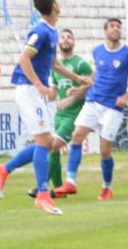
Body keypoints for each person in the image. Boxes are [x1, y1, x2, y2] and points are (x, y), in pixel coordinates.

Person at [0, 0, 91, 215]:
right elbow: (24, 58)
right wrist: (40, 86)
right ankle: (42, 194)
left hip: (35, 91)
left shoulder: (52, 31)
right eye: (57, 0)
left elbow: (53, 63)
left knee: (45, 142)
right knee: (45, 142)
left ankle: (4, 170)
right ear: (54, 5)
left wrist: (77, 78)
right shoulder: (41, 31)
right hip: (28, 90)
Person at [60, 18, 128, 201]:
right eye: (112, 26)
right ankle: (71, 181)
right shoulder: (97, 51)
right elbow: (97, 74)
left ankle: (107, 187)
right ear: (105, 31)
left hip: (113, 107)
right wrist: (80, 90)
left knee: (105, 151)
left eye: (118, 27)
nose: (116, 29)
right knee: (76, 136)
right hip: (93, 102)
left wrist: (126, 97)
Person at [41, 29, 92, 198]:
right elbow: (54, 91)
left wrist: (74, 96)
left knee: (53, 145)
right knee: (52, 150)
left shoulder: (80, 64)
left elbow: (91, 83)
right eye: (62, 37)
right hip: (60, 114)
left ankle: (41, 186)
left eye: (69, 37)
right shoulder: (56, 67)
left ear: (74, 42)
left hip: (74, 115)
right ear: (58, 43)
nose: (65, 39)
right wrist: (47, 93)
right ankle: (59, 189)